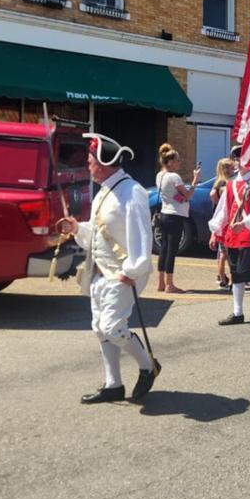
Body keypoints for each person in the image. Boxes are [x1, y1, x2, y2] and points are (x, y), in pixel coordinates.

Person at [58, 133, 159, 405]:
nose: (87, 165)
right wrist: (77, 228)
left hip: (124, 273)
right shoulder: (104, 190)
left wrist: (133, 269)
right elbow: (99, 233)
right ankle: (113, 384)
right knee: (100, 328)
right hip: (100, 271)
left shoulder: (132, 191)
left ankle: (147, 365)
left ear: (103, 163)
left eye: (90, 161)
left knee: (113, 327)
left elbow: (141, 235)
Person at [207, 146, 250, 325]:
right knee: (235, 274)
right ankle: (238, 312)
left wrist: (243, 223)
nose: (239, 163)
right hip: (231, 235)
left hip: (247, 234)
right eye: (237, 160)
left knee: (243, 272)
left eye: (243, 159)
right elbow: (223, 211)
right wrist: (215, 231)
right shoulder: (231, 184)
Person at [155, 143, 201, 293]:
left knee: (164, 248)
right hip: (175, 215)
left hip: (164, 213)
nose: (179, 162)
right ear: (170, 162)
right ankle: (170, 284)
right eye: (177, 160)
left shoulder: (160, 175)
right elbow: (187, 196)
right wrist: (195, 180)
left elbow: (176, 196)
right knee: (171, 250)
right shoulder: (174, 176)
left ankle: (161, 282)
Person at [210, 158, 236, 289]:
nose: (234, 170)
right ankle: (225, 279)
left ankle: (221, 277)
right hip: (225, 220)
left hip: (221, 220)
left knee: (222, 252)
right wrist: (219, 205)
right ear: (226, 169)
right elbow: (212, 194)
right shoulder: (224, 182)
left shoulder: (220, 181)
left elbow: (213, 194)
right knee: (226, 252)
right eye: (232, 168)